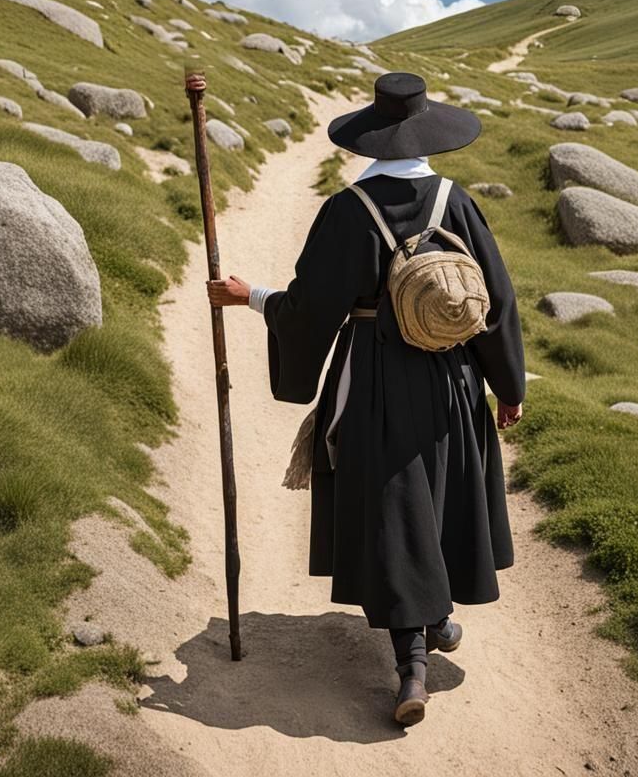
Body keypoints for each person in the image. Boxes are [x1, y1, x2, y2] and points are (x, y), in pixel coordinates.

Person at [207, 71, 526, 726]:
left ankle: (411, 668)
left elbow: (311, 308)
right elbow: (497, 301)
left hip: (377, 380)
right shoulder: (457, 202)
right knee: (436, 495)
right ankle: (434, 619)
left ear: (372, 140)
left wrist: (253, 298)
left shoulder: (348, 210)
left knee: (395, 506)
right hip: (454, 375)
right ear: (429, 136)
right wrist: (508, 386)